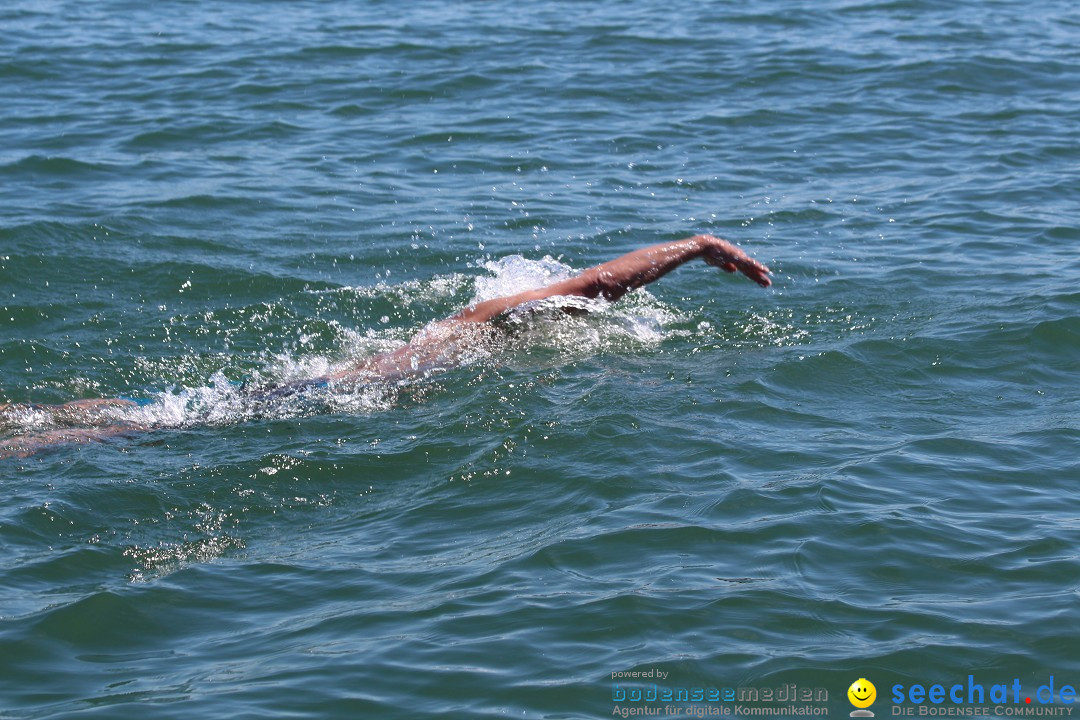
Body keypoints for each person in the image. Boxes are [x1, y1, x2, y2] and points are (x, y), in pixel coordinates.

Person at [0, 234, 771, 458]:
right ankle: (34, 442)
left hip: (331, 384)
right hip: (334, 398)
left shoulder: (468, 325)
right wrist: (695, 245)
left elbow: (592, 286)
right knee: (168, 425)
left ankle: (28, 422)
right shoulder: (493, 323)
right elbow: (598, 284)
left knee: (179, 411)